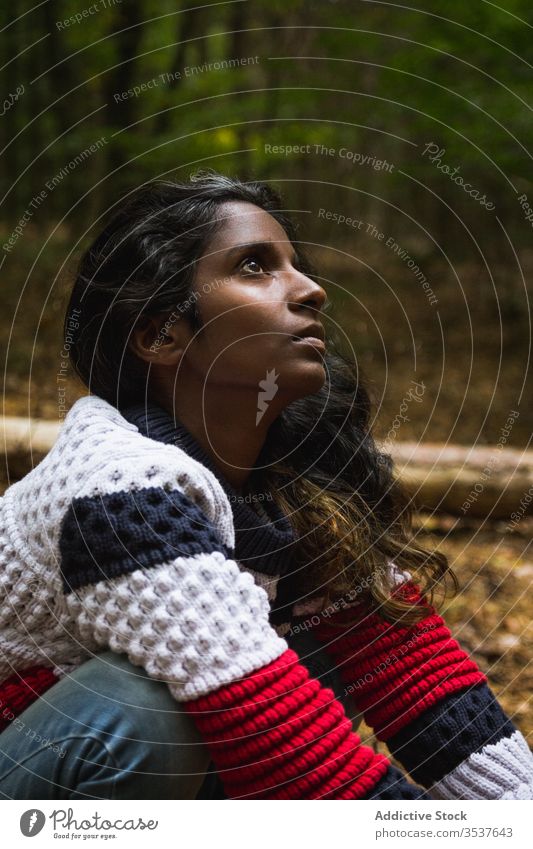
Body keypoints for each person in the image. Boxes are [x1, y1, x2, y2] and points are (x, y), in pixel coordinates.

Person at [0, 171, 531, 800]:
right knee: (149, 709)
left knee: (311, 649)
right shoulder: (117, 494)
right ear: (162, 335)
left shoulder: (285, 491)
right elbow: (294, 755)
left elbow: (435, 699)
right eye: (255, 267)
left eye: (294, 264)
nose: (311, 290)